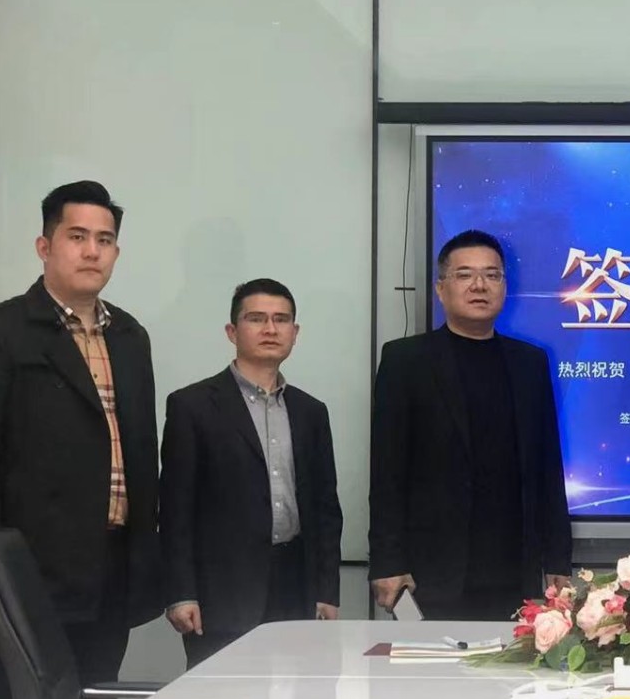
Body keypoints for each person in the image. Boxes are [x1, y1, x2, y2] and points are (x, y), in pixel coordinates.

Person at [0, 180, 160, 699]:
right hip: (32, 566)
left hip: (113, 563)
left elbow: (141, 448)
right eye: (77, 236)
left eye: (105, 240)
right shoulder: (2, 330)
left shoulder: (130, 335)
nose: (92, 251)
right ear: (45, 246)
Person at [369, 230, 572, 619]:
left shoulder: (529, 363)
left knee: (514, 660)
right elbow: (387, 473)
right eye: (464, 275)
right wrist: (387, 561)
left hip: (515, 571)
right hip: (431, 571)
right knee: (428, 661)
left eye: (492, 275)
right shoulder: (405, 361)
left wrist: (558, 558)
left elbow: (548, 467)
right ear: (440, 289)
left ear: (504, 287)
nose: (480, 285)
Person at [160, 279, 343, 668]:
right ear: (232, 331)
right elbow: (175, 510)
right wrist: (181, 592)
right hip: (221, 591)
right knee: (224, 698)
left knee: (301, 695)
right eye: (256, 319)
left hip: (295, 586)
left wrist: (327, 591)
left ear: (295, 332)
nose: (270, 329)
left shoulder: (311, 412)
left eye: (282, 319)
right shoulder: (192, 406)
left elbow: (326, 509)